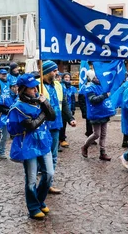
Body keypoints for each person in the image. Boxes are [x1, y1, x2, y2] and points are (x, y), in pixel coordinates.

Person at [7, 73, 56, 220]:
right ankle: (33, 207)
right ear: (23, 89)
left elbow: (52, 116)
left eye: (35, 86)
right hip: (28, 146)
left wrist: (45, 103)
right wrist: (43, 112)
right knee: (31, 180)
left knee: (49, 174)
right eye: (31, 88)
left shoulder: (38, 101)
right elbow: (31, 125)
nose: (35, 89)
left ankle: (40, 200)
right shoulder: (18, 107)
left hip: (43, 142)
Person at [40, 60, 76, 194]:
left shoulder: (58, 85)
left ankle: (48, 183)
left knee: (53, 155)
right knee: (42, 155)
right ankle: (41, 180)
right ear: (46, 72)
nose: (56, 73)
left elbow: (64, 103)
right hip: (41, 126)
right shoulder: (38, 85)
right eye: (54, 71)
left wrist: (71, 118)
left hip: (56, 125)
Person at [81, 70, 115, 161]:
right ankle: (85, 146)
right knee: (96, 134)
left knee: (103, 134)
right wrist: (104, 95)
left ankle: (102, 152)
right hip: (95, 113)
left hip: (104, 112)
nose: (97, 79)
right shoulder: (89, 87)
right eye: (95, 77)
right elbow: (93, 100)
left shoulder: (102, 86)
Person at [0, 81, 18, 159]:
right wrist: (8, 111)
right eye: (14, 87)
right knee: (5, 136)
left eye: (17, 86)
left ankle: (16, 153)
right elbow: (0, 107)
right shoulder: (5, 96)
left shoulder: (19, 96)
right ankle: (1, 152)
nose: (16, 88)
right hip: (6, 119)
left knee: (17, 137)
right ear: (11, 88)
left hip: (16, 119)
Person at [59, 72, 78, 148]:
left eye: (68, 77)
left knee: (64, 125)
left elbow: (73, 99)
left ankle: (62, 138)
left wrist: (73, 109)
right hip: (61, 109)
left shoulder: (72, 88)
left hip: (68, 108)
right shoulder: (60, 86)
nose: (67, 78)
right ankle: (60, 139)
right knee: (61, 125)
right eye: (65, 77)